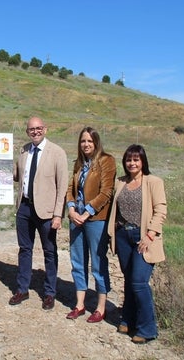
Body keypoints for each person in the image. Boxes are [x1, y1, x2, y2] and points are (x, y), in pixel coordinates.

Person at [107, 144, 167, 344]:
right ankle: (127, 319)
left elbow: (161, 210)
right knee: (128, 279)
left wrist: (150, 235)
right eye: (128, 160)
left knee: (139, 282)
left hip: (144, 239)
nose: (132, 163)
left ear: (143, 161)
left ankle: (147, 328)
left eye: (136, 159)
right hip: (123, 235)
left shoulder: (153, 182)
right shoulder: (120, 182)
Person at [9, 116, 69, 310]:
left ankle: (50, 292)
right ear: (27, 132)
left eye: (38, 128)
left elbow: (62, 186)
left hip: (47, 211)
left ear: (45, 129)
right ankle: (22, 289)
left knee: (49, 252)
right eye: (31, 129)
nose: (35, 132)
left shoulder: (57, 153)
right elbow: (17, 176)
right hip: (25, 207)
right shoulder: (24, 150)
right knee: (24, 250)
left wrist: (58, 214)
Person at [65, 127, 116, 322]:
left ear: (96, 142)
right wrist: (71, 210)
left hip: (95, 219)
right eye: (83, 141)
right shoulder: (79, 163)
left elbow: (106, 192)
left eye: (89, 141)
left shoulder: (106, 161)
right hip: (75, 218)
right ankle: (79, 304)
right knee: (77, 261)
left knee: (97, 262)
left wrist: (86, 213)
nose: (86, 144)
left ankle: (100, 307)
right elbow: (71, 188)